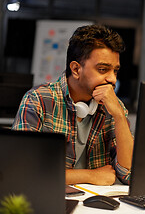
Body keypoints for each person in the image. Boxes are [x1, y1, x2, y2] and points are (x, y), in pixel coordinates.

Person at [12, 25, 134, 185]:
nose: (112, 79)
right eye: (103, 69)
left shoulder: (113, 107)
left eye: (115, 71)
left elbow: (129, 174)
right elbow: (21, 171)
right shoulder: (38, 100)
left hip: (93, 206)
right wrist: (91, 176)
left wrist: (119, 116)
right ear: (76, 69)